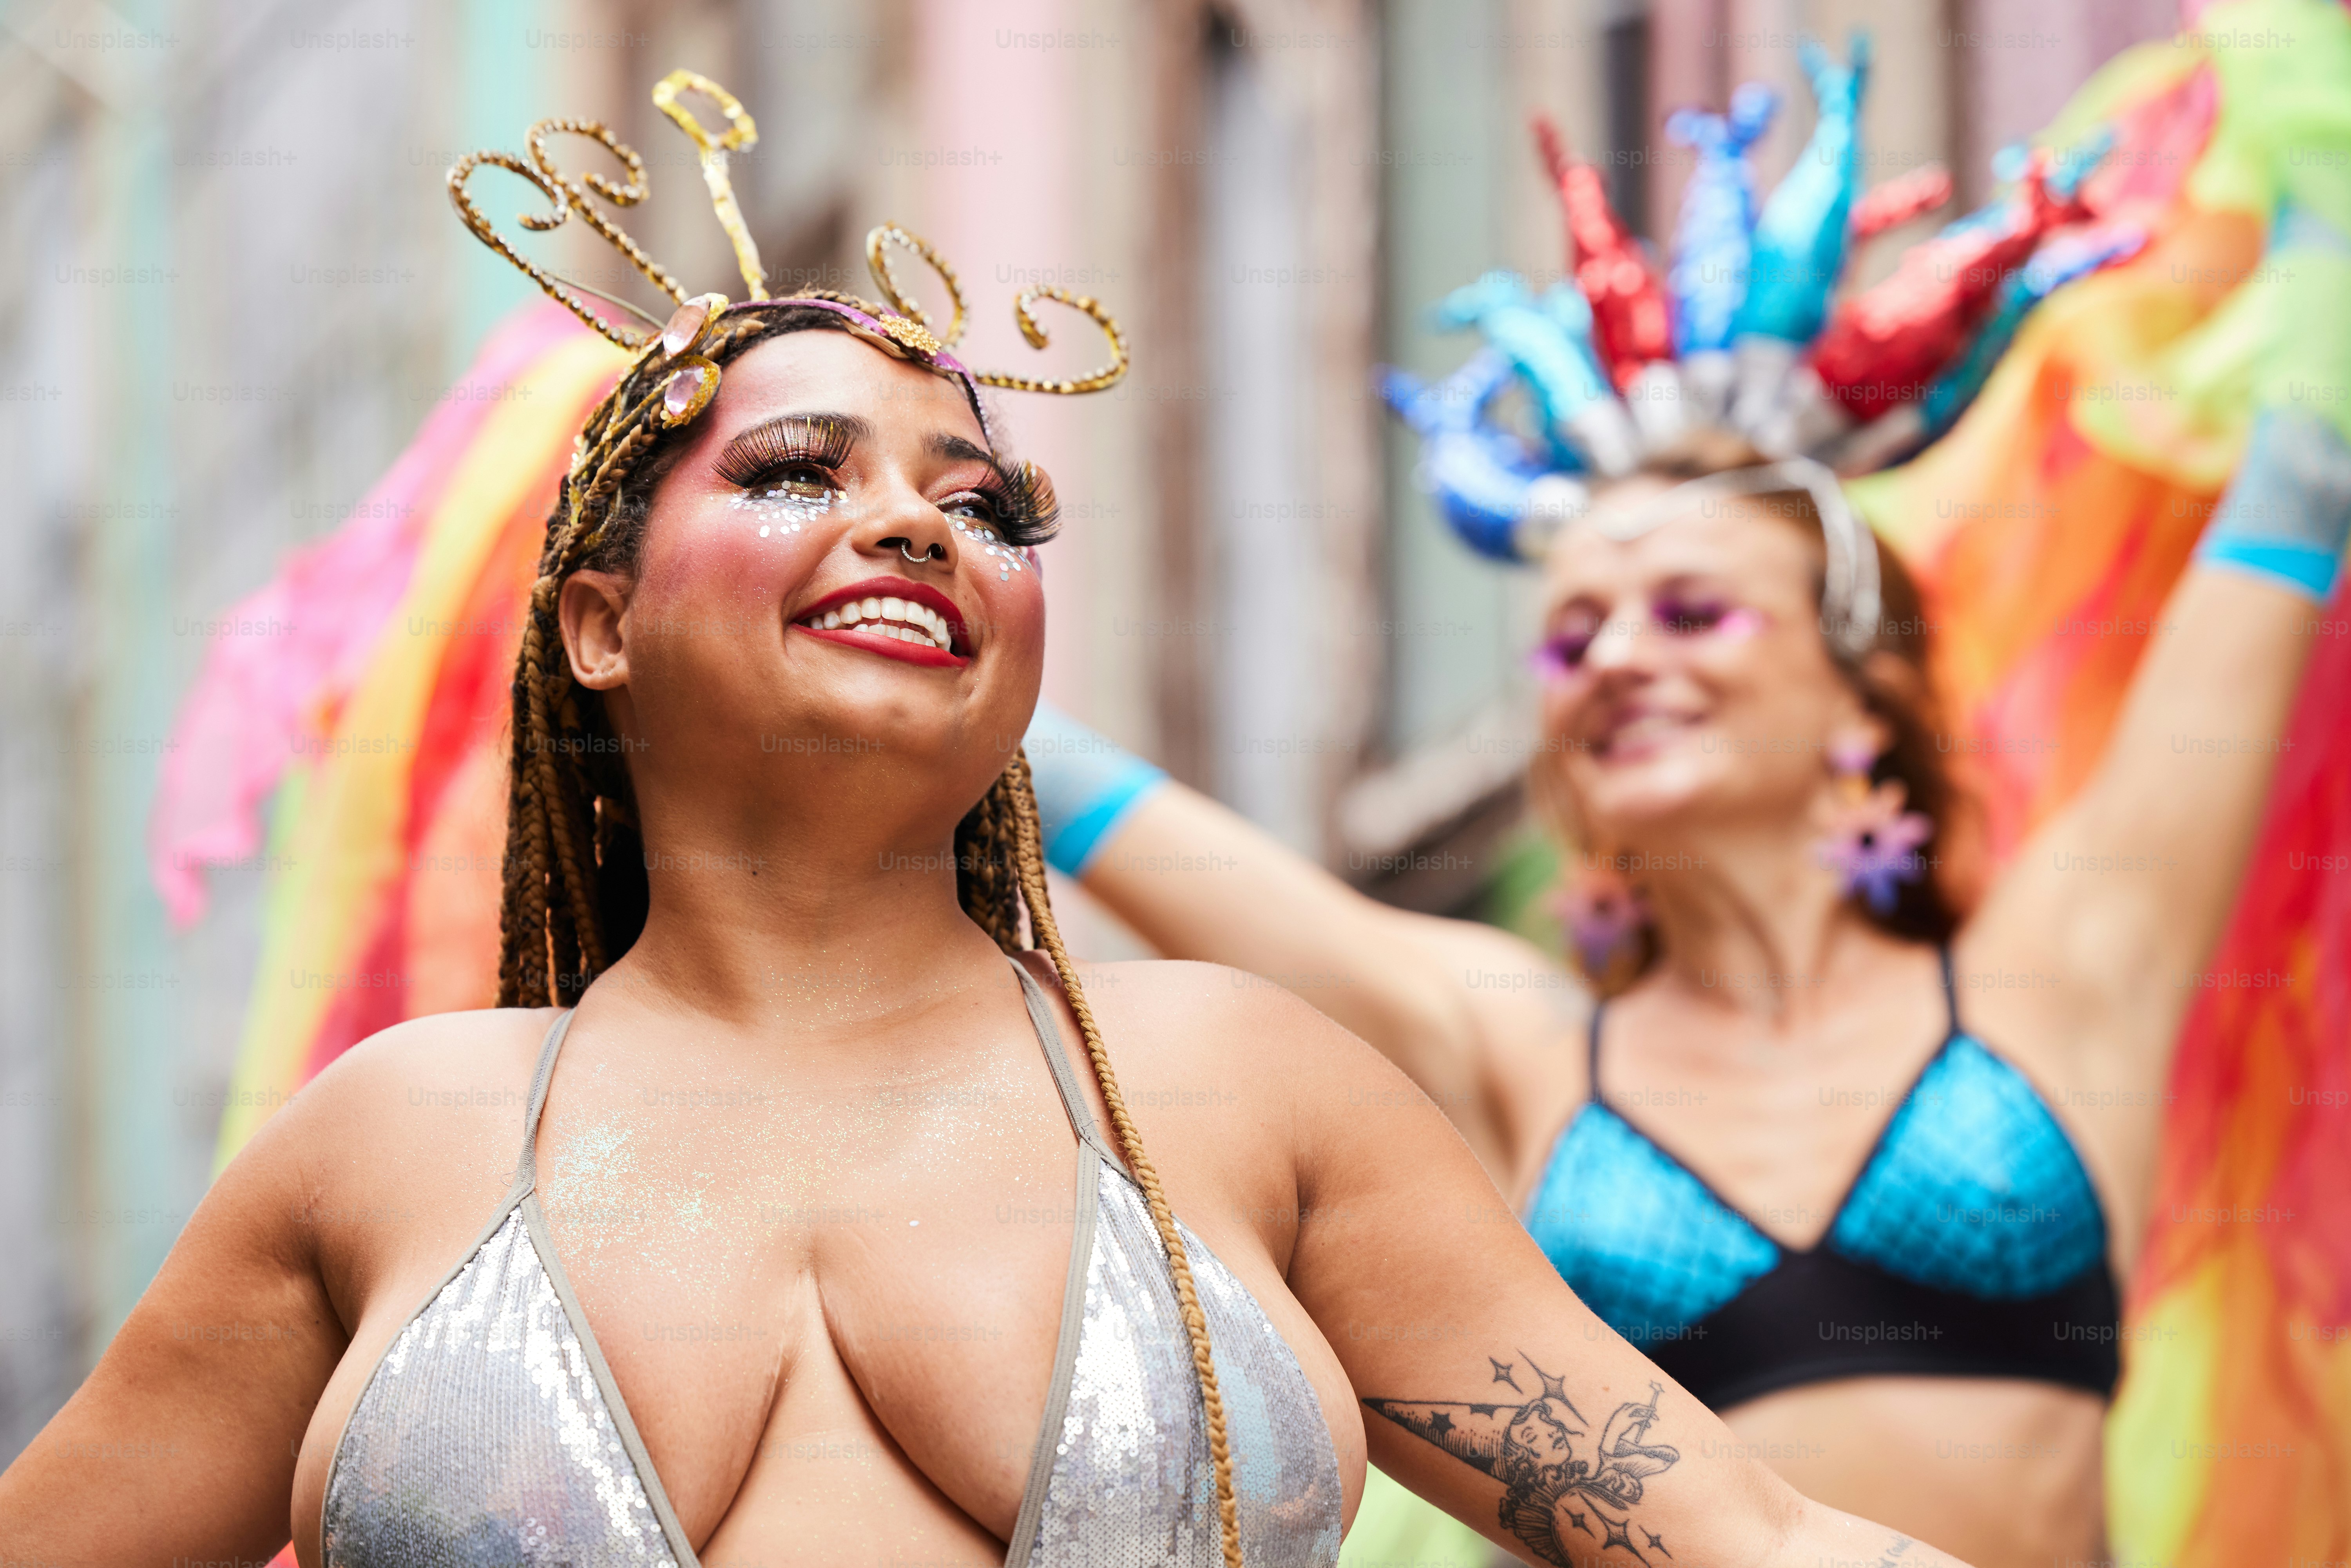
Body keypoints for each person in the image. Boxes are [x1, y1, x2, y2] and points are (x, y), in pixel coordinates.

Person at [0, 79, 1967, 1568]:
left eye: (990, 503)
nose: (922, 521)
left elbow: (1757, 1538)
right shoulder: (397, 1135)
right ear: (596, 624)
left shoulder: (1238, 1086)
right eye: (795, 469)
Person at [1019, 174, 2351, 1568]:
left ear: (1859, 689)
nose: (1615, 660)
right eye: (1572, 635)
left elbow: (2300, 485)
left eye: (1693, 611)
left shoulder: (2065, 974)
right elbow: (1082, 790)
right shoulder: (1509, 1045)